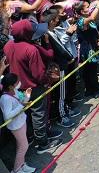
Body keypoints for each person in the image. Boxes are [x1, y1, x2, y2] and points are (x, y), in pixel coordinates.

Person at [4, 18, 59, 153]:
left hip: (17, 88)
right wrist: (48, 81)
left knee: (26, 114)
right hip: (33, 87)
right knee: (39, 114)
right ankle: (43, 144)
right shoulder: (31, 49)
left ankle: (31, 137)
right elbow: (38, 75)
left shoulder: (8, 45)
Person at [0, 72, 36, 173]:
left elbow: (21, 102)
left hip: (21, 122)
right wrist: (21, 106)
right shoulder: (5, 98)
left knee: (21, 145)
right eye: (17, 82)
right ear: (11, 86)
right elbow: (7, 115)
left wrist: (27, 96)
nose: (19, 83)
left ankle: (22, 165)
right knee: (24, 146)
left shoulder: (14, 91)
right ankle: (16, 169)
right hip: (15, 126)